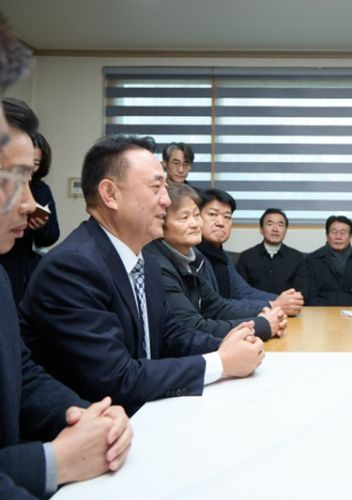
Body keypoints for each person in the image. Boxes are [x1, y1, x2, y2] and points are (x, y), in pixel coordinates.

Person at [20, 135, 265, 416]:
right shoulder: (73, 267)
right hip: (98, 425)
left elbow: (170, 334)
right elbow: (117, 378)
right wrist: (221, 362)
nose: (166, 200)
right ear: (110, 194)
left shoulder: (145, 260)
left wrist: (230, 346)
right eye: (156, 188)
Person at [0, 94, 131, 496]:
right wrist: (52, 462)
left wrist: (88, 417)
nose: (29, 203)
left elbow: (21, 374)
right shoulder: (76, 263)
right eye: (11, 180)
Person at [145, 183, 286, 340]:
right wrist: (262, 324)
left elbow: (216, 307)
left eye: (196, 215)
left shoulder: (194, 259)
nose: (195, 224)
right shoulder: (156, 265)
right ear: (160, 223)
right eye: (184, 217)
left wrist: (269, 312)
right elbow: (192, 328)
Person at [197, 188, 304, 316]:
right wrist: (274, 305)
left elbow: (243, 291)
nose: (221, 223)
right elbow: (216, 307)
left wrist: (285, 300)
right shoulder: (193, 257)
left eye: (227, 217)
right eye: (213, 214)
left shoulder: (222, 256)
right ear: (196, 217)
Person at [0, 132, 59, 305]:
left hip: (27, 266)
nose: (29, 205)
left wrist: (40, 227)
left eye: (35, 164)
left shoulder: (42, 189)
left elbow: (52, 234)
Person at [236, 208, 307, 296]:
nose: (275, 229)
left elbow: (301, 291)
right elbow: (240, 291)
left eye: (280, 225)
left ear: (285, 230)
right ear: (261, 229)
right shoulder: (246, 257)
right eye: (270, 224)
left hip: (288, 304)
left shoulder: (297, 258)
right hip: (255, 304)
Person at [306, 214, 352, 306]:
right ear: (327, 235)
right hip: (321, 311)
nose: (338, 237)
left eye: (343, 233)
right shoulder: (312, 259)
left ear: (350, 236)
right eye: (334, 232)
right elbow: (310, 296)